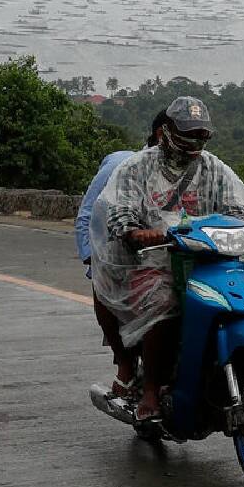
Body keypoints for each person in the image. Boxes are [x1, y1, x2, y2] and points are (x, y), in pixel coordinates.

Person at [90, 96, 244, 421]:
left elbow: (233, 211)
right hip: (152, 260)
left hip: (205, 258)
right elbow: (119, 208)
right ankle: (151, 388)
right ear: (166, 131)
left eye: (201, 134)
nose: (194, 141)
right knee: (165, 303)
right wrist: (136, 232)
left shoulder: (213, 168)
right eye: (187, 133)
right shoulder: (136, 167)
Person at [75, 111, 171, 398]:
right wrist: (94, 261)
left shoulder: (189, 174)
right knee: (105, 288)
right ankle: (125, 365)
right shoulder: (120, 166)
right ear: (162, 135)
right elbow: (87, 214)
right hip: (120, 249)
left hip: (166, 252)